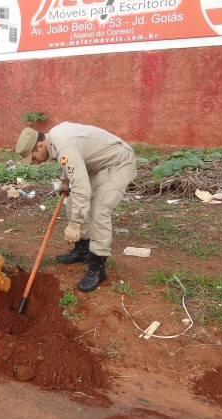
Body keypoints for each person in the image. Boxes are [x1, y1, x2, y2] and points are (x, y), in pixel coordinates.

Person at [15, 122, 137, 292]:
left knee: (99, 211)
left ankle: (97, 268)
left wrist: (75, 224)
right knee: (73, 204)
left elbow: (81, 187)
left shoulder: (63, 145)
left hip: (117, 163)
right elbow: (73, 160)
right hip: (97, 166)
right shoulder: (54, 140)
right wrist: (65, 180)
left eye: (33, 157)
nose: (34, 162)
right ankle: (83, 250)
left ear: (40, 145)